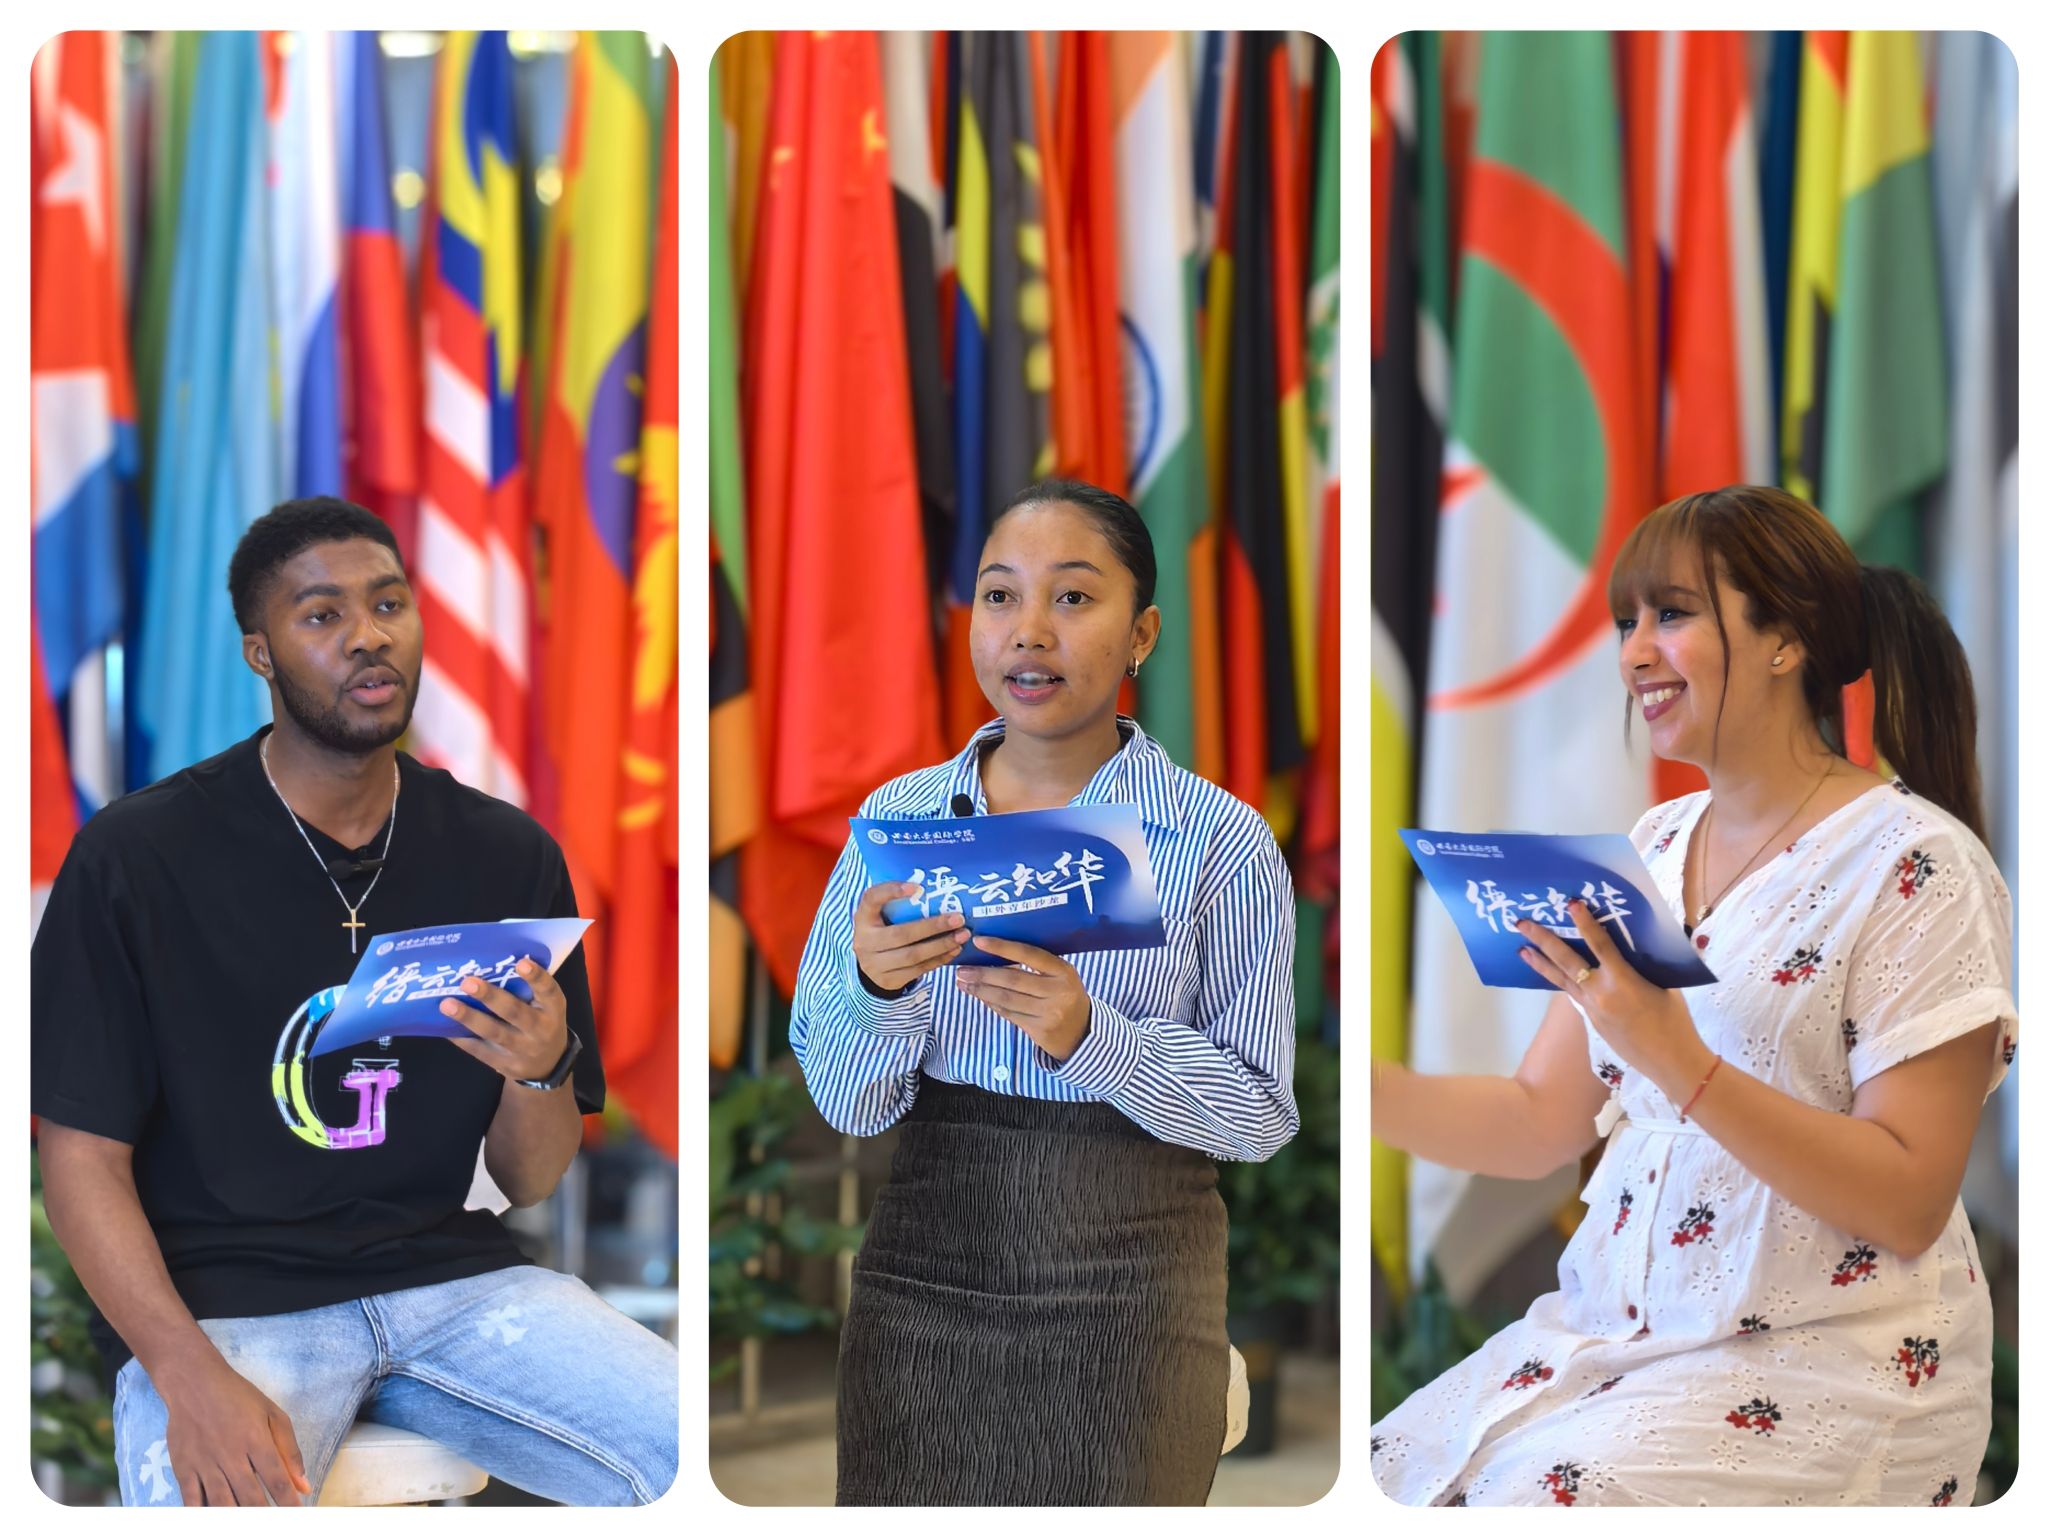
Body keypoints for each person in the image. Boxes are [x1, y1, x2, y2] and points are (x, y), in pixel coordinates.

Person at [1370, 486, 2017, 1506]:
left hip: (1827, 1365)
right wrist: (1351, 1091)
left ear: (1785, 640)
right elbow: (1537, 1121)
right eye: (1625, 621)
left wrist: (1677, 1058)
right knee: (1389, 1478)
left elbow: (1907, 1200)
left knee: (1532, 1502)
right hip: (1614, 1344)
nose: (1633, 653)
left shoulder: (1918, 864)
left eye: (1669, 614)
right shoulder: (1653, 848)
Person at [31, 497, 677, 1507]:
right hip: (227, 1305)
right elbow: (79, 1160)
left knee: (682, 1456)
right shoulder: (138, 857)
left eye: (387, 603)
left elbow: (530, 1175)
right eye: (322, 614)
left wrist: (539, 1069)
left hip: (458, 1284)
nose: (368, 635)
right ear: (260, 652)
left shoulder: (506, 854)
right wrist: (184, 1374)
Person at [789, 478, 1301, 1506]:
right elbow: (846, 1102)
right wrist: (876, 987)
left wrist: (1093, 1035)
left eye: (1072, 597)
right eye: (999, 595)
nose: (1029, 630)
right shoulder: (901, 821)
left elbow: (1258, 1114)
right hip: (926, 1265)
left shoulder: (1219, 839)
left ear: (1142, 633)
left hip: (1138, 1282)